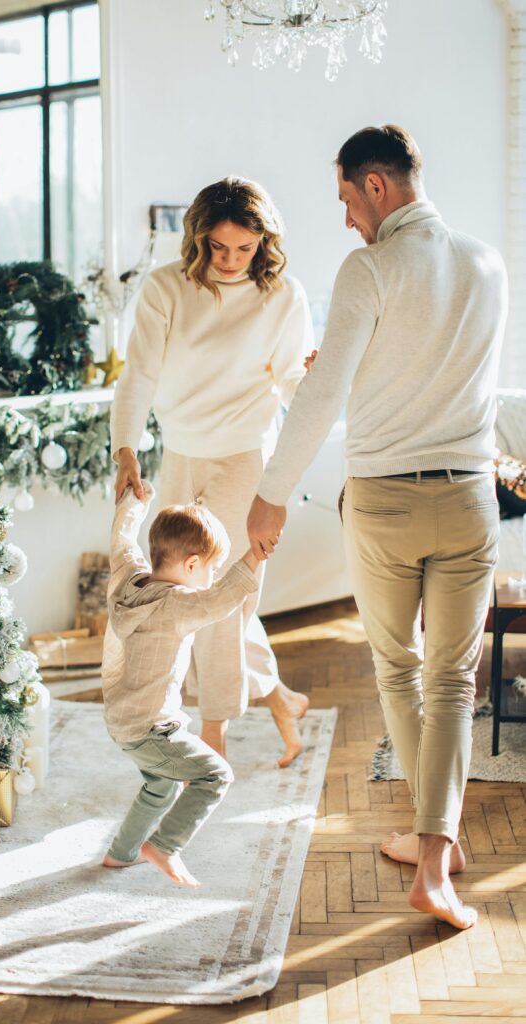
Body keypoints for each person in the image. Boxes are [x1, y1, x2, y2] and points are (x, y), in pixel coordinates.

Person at [247, 125, 508, 930]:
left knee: (398, 670)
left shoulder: (368, 267)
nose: (345, 221)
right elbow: (457, 374)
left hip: (386, 503)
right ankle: (438, 852)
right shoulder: (485, 262)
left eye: (346, 201)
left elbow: (323, 398)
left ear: (376, 187)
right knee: (453, 681)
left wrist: (270, 495)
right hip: (469, 496)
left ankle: (433, 854)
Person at [111, 177, 314, 768]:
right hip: (180, 452)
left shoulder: (283, 296)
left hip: (244, 458)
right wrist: (127, 449)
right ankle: (280, 699)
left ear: (263, 243)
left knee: (220, 599)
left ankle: (214, 730)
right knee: (178, 588)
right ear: (198, 239)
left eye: (243, 249)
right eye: (218, 247)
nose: (229, 261)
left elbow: (293, 383)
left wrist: (319, 382)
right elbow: (139, 375)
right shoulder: (165, 288)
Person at [101, 481, 259, 887]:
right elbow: (218, 601)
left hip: (122, 721)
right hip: (150, 727)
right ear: (191, 566)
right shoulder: (176, 605)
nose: (213, 578)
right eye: (211, 569)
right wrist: (253, 558)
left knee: (160, 785)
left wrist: (136, 502)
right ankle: (165, 846)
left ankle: (122, 853)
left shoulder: (129, 581)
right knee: (215, 775)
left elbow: (121, 540)